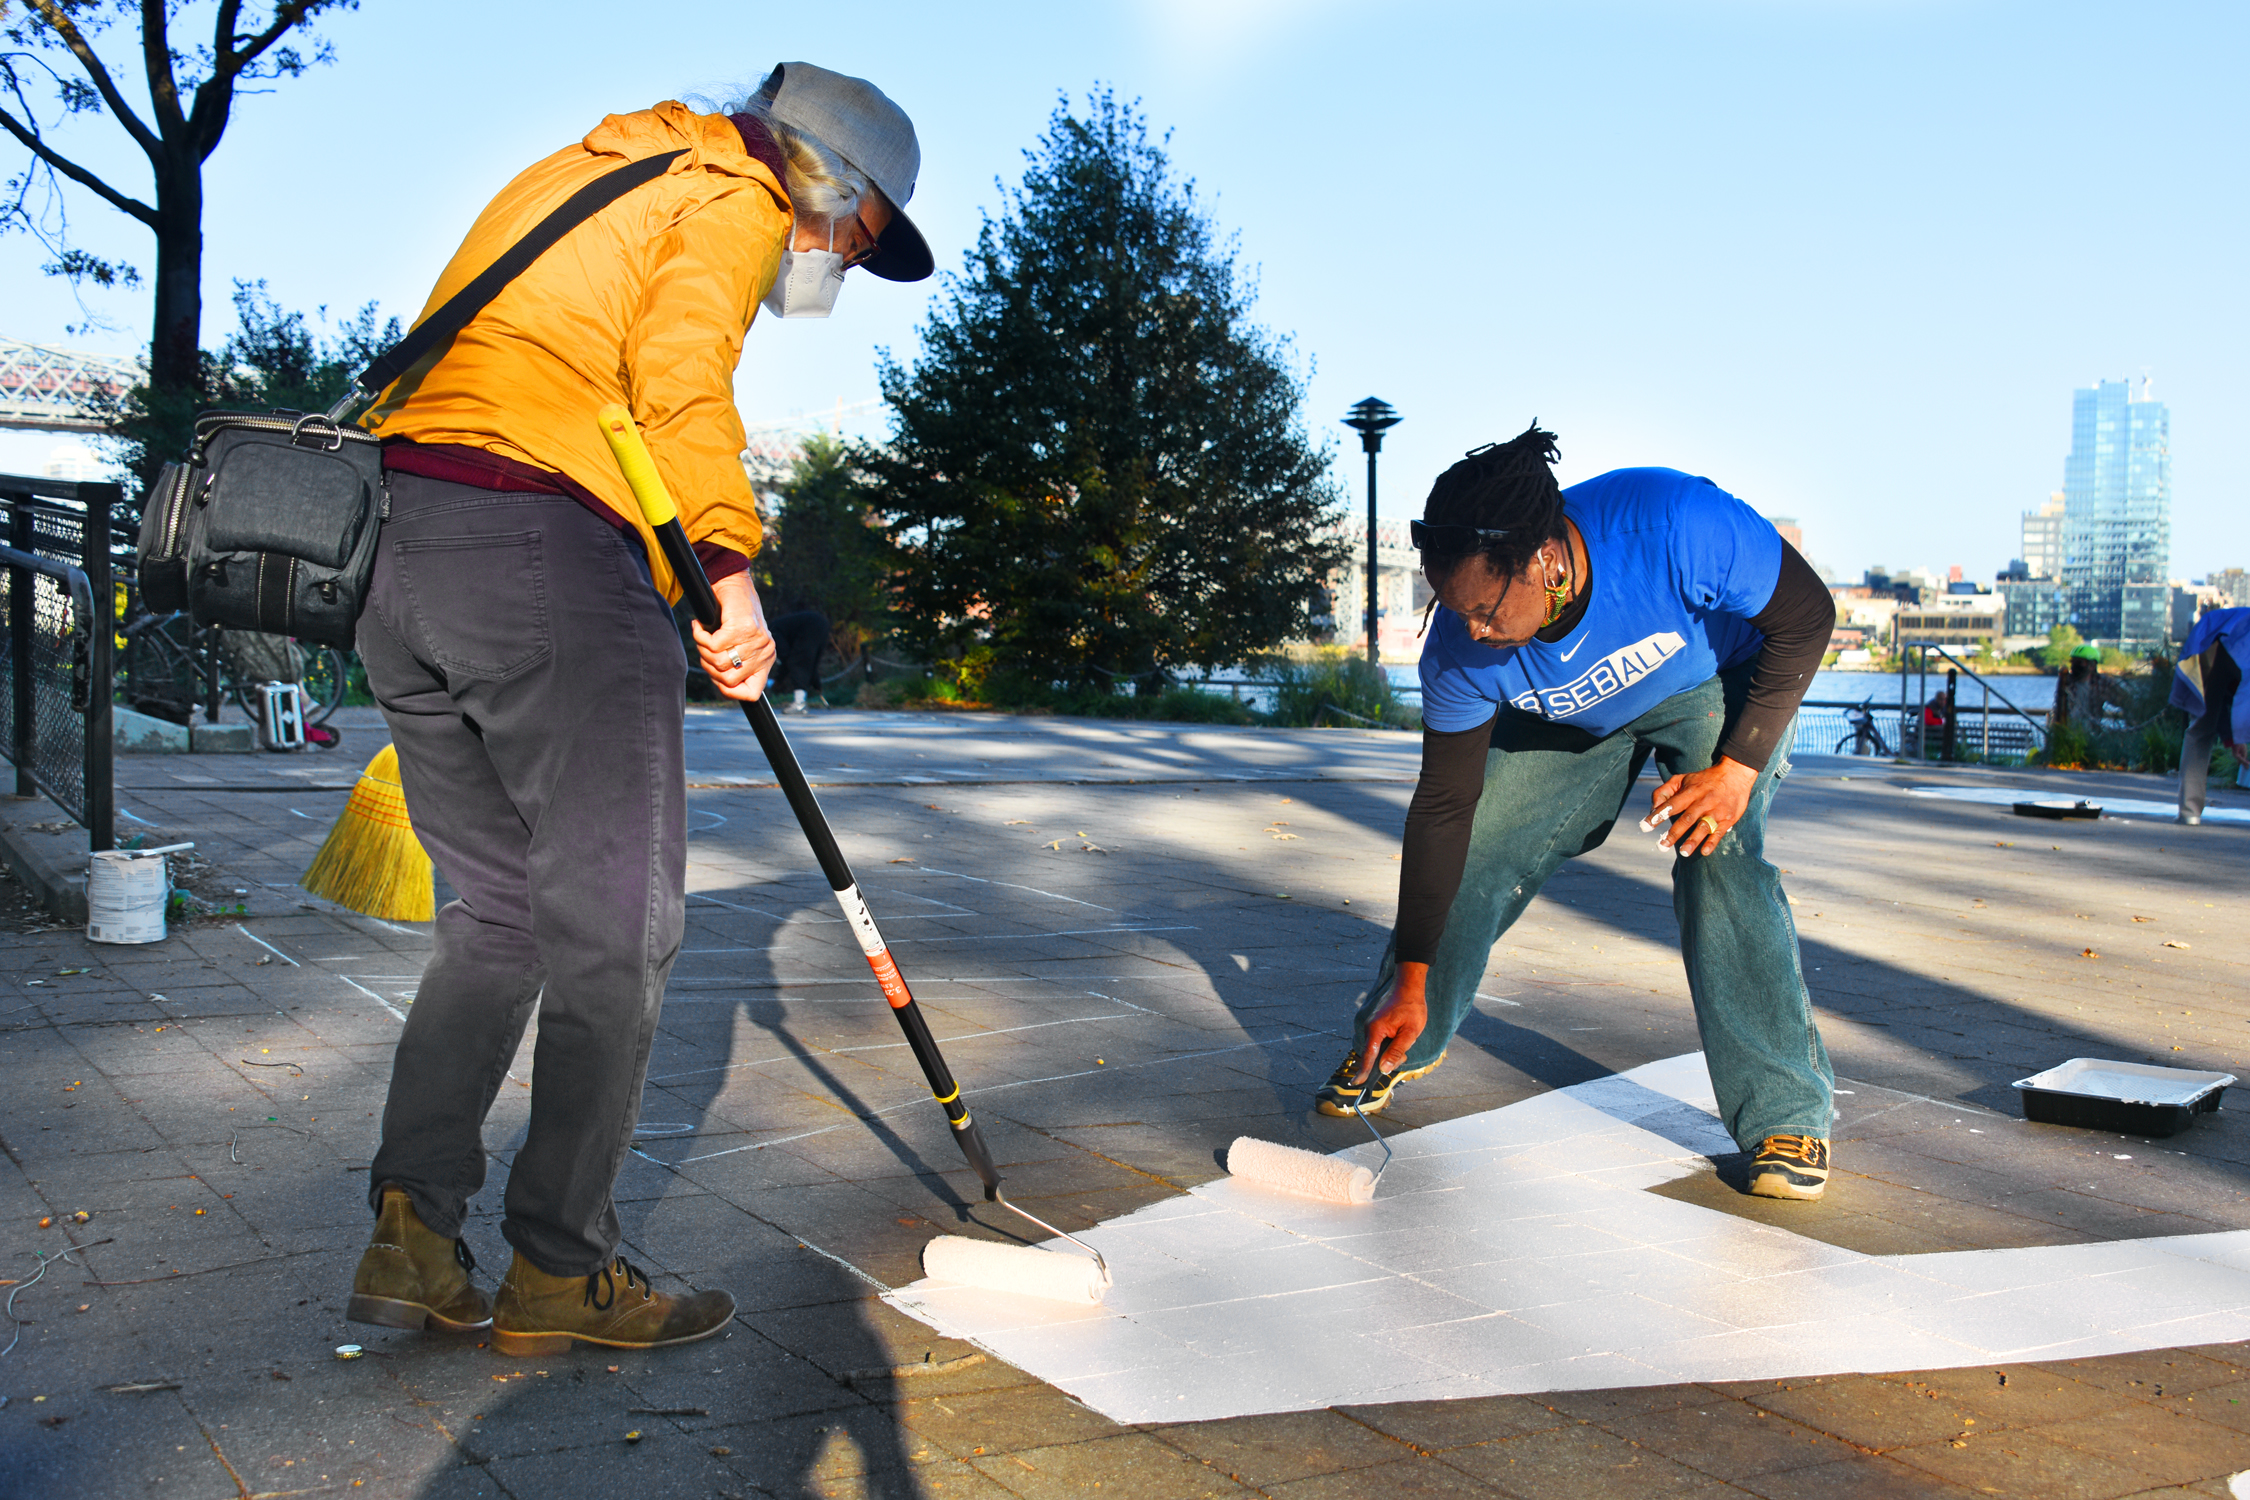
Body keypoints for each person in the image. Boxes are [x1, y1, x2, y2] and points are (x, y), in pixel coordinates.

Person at [342, 64, 933, 1355]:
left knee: (495, 919)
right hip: (542, 551)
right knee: (621, 925)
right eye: (855, 234)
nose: (832, 260)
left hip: (400, 552)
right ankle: (560, 1268)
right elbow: (675, 385)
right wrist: (726, 574)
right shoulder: (729, 190)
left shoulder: (593, 167)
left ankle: (413, 1232)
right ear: (825, 178)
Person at [1317, 426, 1841, 1201]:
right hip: (1575, 717)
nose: (1471, 630)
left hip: (1714, 685)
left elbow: (1806, 614)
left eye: (1486, 609)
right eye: (1452, 609)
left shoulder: (1674, 525)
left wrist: (1736, 772)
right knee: (1486, 835)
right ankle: (1404, 1030)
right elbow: (1446, 806)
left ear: (1544, 562)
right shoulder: (1462, 648)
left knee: (1717, 854)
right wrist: (1414, 972)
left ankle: (1785, 1116)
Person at [2171, 607, 2249, 826]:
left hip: (2215, 643)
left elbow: (2230, 695)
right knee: (2202, 729)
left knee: (2201, 729)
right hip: (2232, 643)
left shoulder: (2238, 616)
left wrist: (2234, 737)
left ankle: (2189, 812)